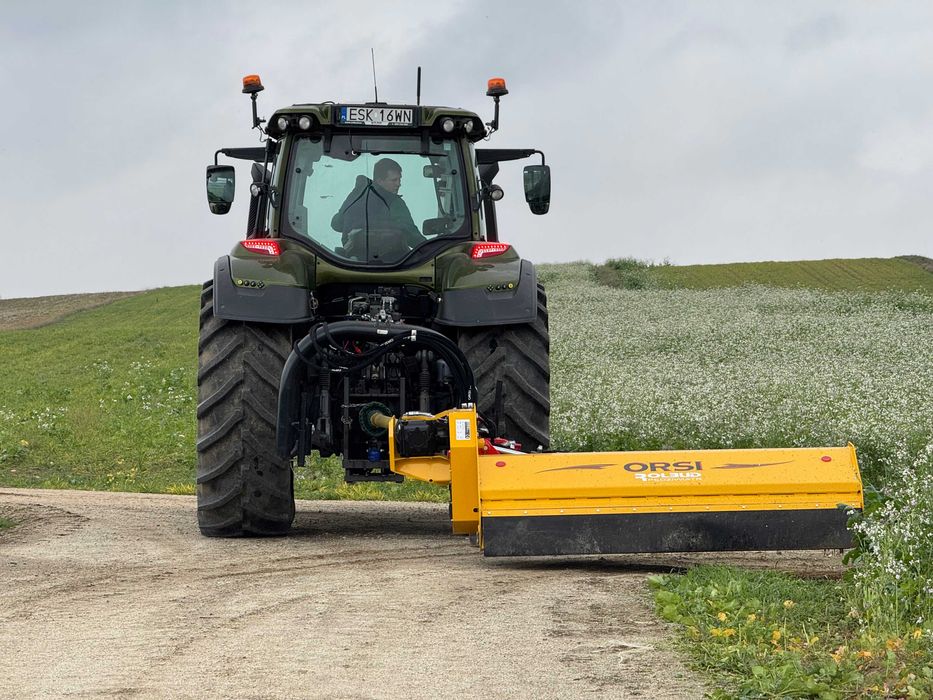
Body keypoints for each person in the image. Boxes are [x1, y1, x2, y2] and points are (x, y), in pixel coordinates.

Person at [330, 158, 423, 260]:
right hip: (391, 264)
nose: (398, 184)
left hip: (352, 261)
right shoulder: (394, 203)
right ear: (379, 181)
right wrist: (430, 249)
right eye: (394, 180)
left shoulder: (356, 194)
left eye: (399, 179)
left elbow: (336, 224)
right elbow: (410, 233)